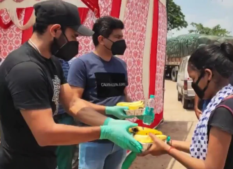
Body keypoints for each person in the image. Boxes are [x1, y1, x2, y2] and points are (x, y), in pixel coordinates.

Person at [0, 1, 142, 169]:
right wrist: (104, 131)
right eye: (74, 35)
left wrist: (110, 122)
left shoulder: (53, 62)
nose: (76, 42)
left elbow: (73, 103)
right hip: (20, 163)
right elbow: (45, 133)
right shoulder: (26, 68)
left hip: (45, 159)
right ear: (55, 30)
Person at [142, 43, 233, 169]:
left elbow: (210, 167)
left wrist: (168, 149)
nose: (193, 84)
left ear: (208, 75)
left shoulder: (223, 112)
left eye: (193, 78)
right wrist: (168, 142)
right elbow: (203, 146)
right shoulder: (231, 100)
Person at [68, 16, 131, 169]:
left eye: (122, 37)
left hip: (119, 139)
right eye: (117, 37)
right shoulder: (81, 64)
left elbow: (124, 95)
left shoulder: (121, 64)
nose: (121, 41)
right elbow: (73, 102)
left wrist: (137, 110)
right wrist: (108, 111)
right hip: (93, 139)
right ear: (102, 39)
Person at [55, 59, 76, 169]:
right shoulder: (38, 64)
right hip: (43, 115)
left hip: (65, 114)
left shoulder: (70, 64)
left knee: (65, 152)